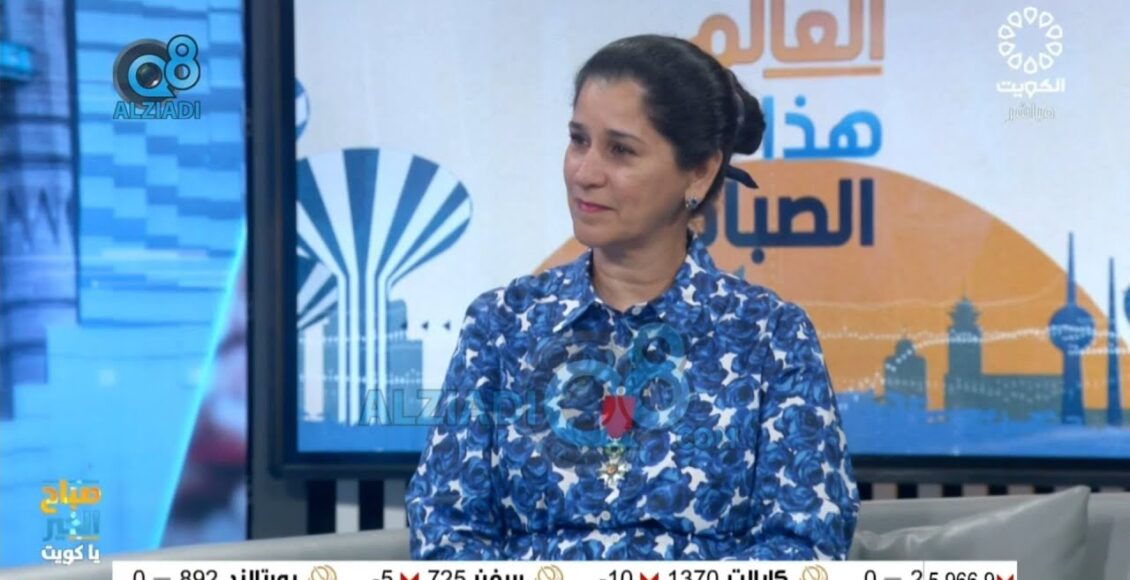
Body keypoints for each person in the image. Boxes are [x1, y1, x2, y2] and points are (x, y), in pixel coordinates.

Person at [406, 34, 858, 561]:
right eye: (578, 140)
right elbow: (445, 528)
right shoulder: (501, 324)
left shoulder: (770, 336)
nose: (585, 172)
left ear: (700, 171)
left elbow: (805, 544)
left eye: (620, 150)